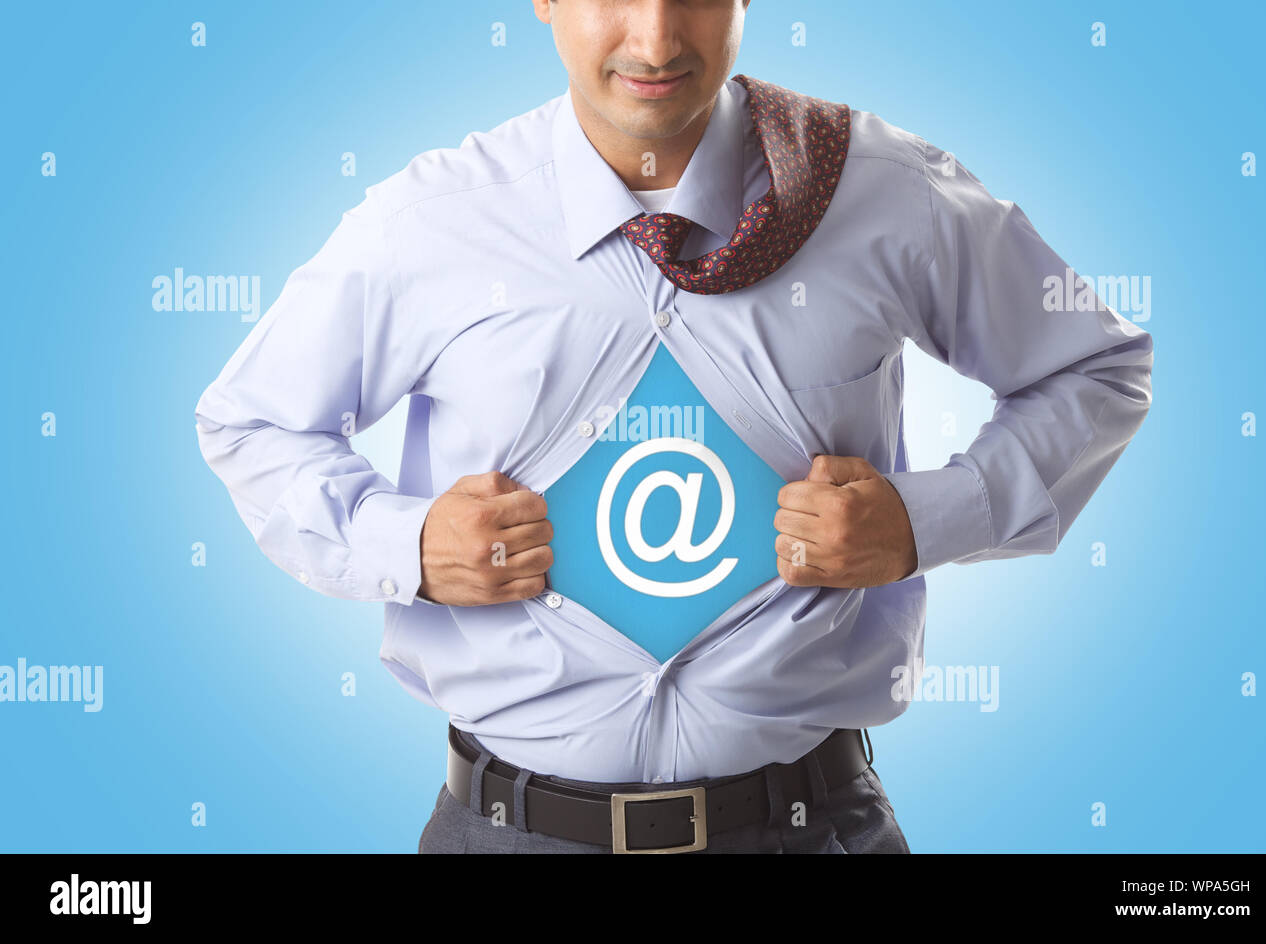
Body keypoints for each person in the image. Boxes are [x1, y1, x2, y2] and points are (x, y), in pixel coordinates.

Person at [194, 0, 1153, 854]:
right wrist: (403, 542)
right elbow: (251, 422)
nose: (655, 37)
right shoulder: (430, 223)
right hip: (503, 835)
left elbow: (1096, 365)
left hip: (810, 829)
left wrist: (923, 520)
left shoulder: (885, 192)